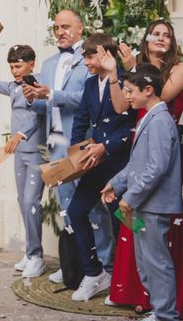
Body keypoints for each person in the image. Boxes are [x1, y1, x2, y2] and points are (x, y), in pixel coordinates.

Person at [23, 9, 115, 283]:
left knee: (93, 207)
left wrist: (50, 93)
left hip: (83, 143)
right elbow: (46, 104)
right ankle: (77, 264)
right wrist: (33, 98)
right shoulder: (50, 63)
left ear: (80, 27)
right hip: (55, 143)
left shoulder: (90, 59)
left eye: (65, 26)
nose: (60, 32)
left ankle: (106, 266)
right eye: (56, 28)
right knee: (67, 207)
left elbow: (87, 99)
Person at [98, 19, 183, 315]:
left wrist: (130, 198)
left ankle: (166, 314)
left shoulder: (160, 120)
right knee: (146, 262)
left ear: (148, 90)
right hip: (143, 205)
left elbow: (156, 167)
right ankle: (159, 310)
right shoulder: (148, 118)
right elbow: (138, 163)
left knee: (157, 262)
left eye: (131, 91)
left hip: (153, 206)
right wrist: (116, 183)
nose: (127, 97)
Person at [67, 33, 136, 302]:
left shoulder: (128, 83)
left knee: (126, 221)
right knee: (75, 211)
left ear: (107, 55)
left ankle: (126, 280)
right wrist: (75, 155)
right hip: (94, 163)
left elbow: (131, 128)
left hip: (122, 165)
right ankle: (95, 273)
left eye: (90, 55)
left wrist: (105, 147)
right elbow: (81, 119)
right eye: (84, 55)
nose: (85, 61)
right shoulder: (88, 84)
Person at [0, 41, 47, 277]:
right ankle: (31, 253)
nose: (14, 71)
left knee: (31, 203)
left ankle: (37, 256)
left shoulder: (38, 84)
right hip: (19, 153)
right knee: (23, 201)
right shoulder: (12, 86)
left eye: (18, 66)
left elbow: (40, 112)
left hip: (37, 152)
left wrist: (21, 135)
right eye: (11, 66)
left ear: (31, 64)